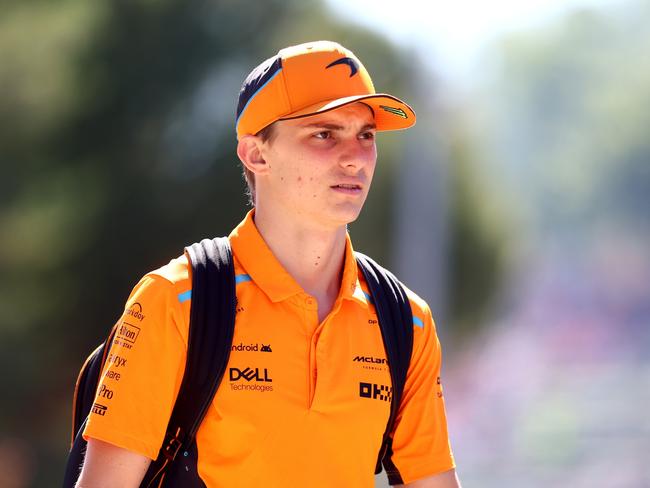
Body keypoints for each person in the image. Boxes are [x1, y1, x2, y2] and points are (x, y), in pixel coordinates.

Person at [75, 40, 461, 488]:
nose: (355, 156)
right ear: (256, 154)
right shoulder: (176, 301)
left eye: (366, 135)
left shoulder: (406, 320)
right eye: (324, 133)